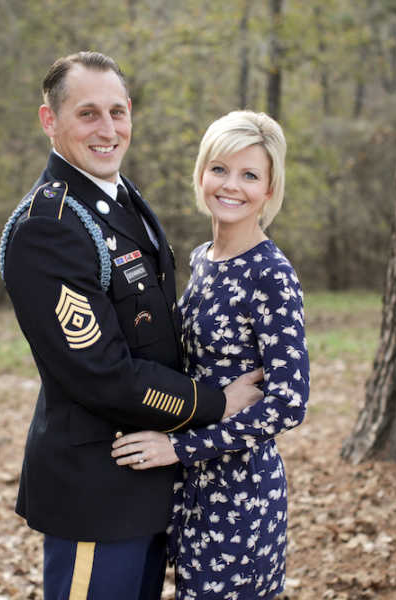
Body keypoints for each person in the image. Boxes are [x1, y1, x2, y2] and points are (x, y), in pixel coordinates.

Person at [0, 53, 263, 600]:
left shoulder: (119, 201)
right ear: (50, 121)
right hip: (95, 486)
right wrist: (215, 404)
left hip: (144, 478)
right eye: (88, 113)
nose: (108, 129)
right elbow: (101, 374)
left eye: (117, 112)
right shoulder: (48, 227)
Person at [112, 110, 309, 599]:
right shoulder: (201, 260)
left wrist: (178, 447)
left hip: (240, 494)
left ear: (269, 189)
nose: (231, 185)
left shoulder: (271, 276)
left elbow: (288, 401)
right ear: (201, 174)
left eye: (250, 175)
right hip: (185, 489)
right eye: (219, 169)